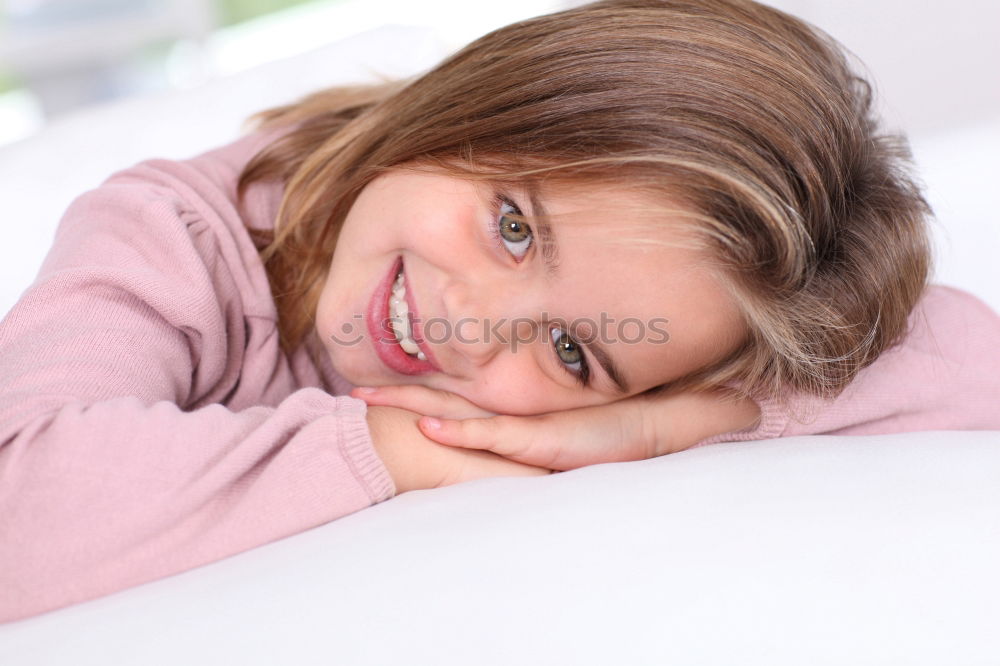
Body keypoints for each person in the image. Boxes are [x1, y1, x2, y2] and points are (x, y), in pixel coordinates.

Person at [1, 0, 997, 623]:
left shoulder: (675, 383)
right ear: (474, 103)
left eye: (571, 349)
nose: (470, 326)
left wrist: (674, 422)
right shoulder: (171, 232)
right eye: (514, 226)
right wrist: (400, 450)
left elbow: (972, 356)